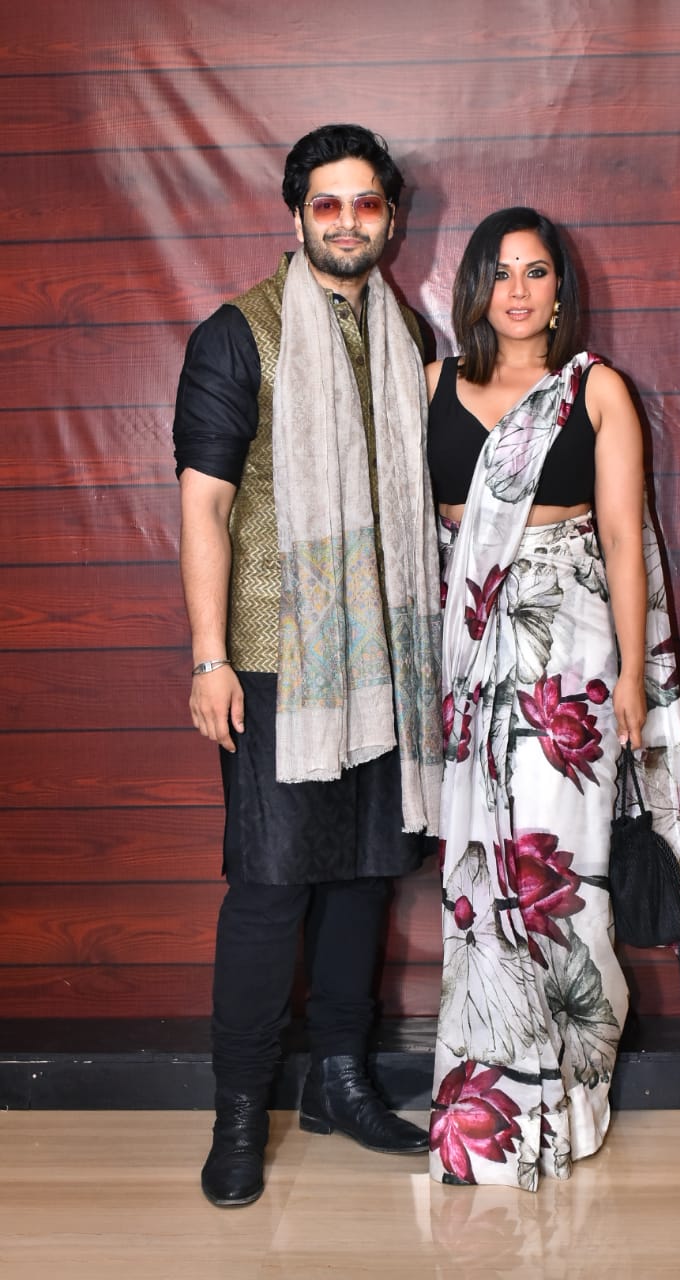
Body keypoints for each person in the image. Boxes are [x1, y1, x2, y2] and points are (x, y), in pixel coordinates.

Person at [424, 207, 680, 1191]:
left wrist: (635, 678)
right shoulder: (431, 387)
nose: (518, 289)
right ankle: (484, 1116)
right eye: (500, 272)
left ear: (561, 289)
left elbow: (627, 545)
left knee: (560, 884)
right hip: (467, 672)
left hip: (571, 670)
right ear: (475, 287)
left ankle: (568, 1104)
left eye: (536, 271)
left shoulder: (594, 392)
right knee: (479, 888)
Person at [172, 123, 443, 1208]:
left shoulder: (408, 332)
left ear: (389, 219)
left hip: (386, 656)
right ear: (296, 218)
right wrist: (209, 657)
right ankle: (240, 1110)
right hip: (279, 657)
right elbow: (206, 502)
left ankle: (339, 1077)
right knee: (273, 884)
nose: (344, 222)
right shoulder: (237, 335)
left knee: (367, 872)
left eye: (363, 204)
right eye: (324, 205)